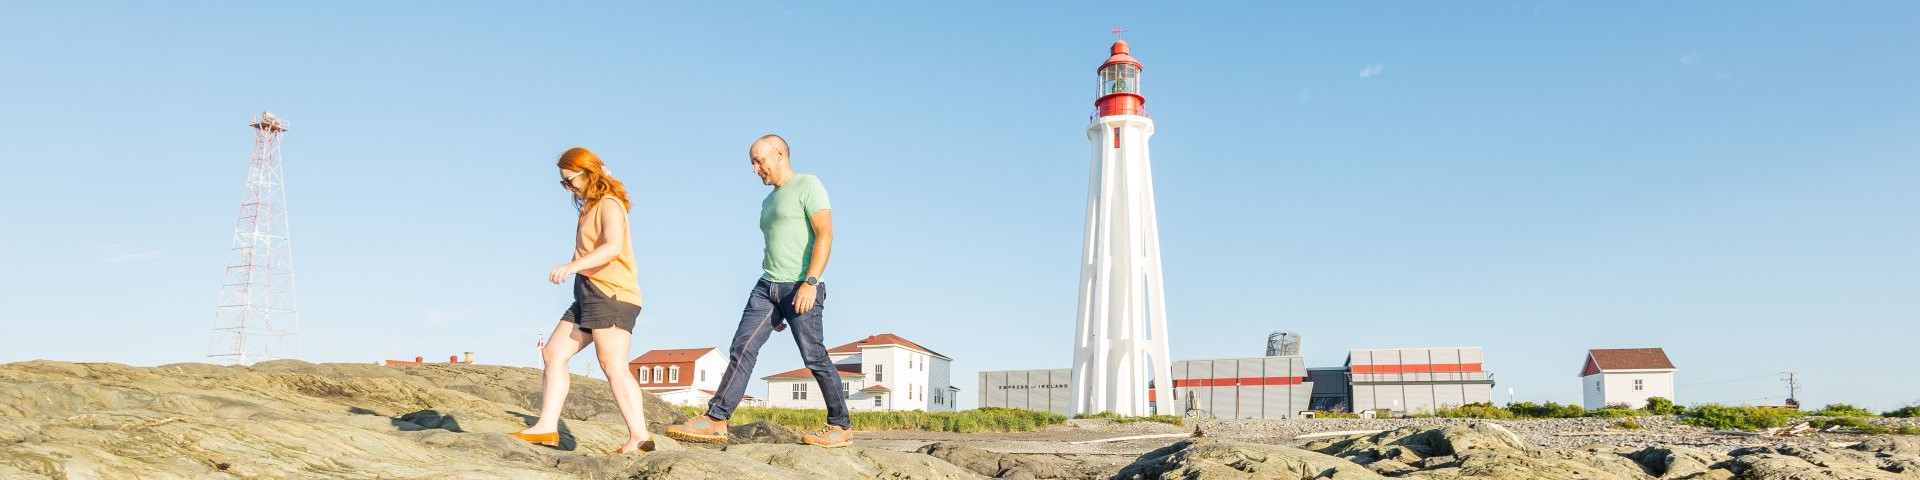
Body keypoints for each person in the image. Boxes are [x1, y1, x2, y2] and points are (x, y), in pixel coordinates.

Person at [665, 134, 851, 448]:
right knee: (743, 346)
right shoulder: (768, 200)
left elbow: (825, 235)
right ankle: (716, 419)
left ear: (780, 154)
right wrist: (776, 306)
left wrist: (811, 282)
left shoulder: (809, 185)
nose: (755, 169)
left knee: (814, 355)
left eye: (758, 160)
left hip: (801, 286)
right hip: (767, 288)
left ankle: (840, 426)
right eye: (752, 162)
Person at [511, 147, 655, 455]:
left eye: (569, 181)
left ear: (587, 174)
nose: (567, 188)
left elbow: (614, 246)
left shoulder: (610, 204)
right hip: (589, 293)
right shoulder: (591, 206)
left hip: (612, 293)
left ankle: (639, 437)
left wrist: (571, 265)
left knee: (613, 365)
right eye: (563, 183)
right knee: (553, 353)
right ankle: (546, 427)